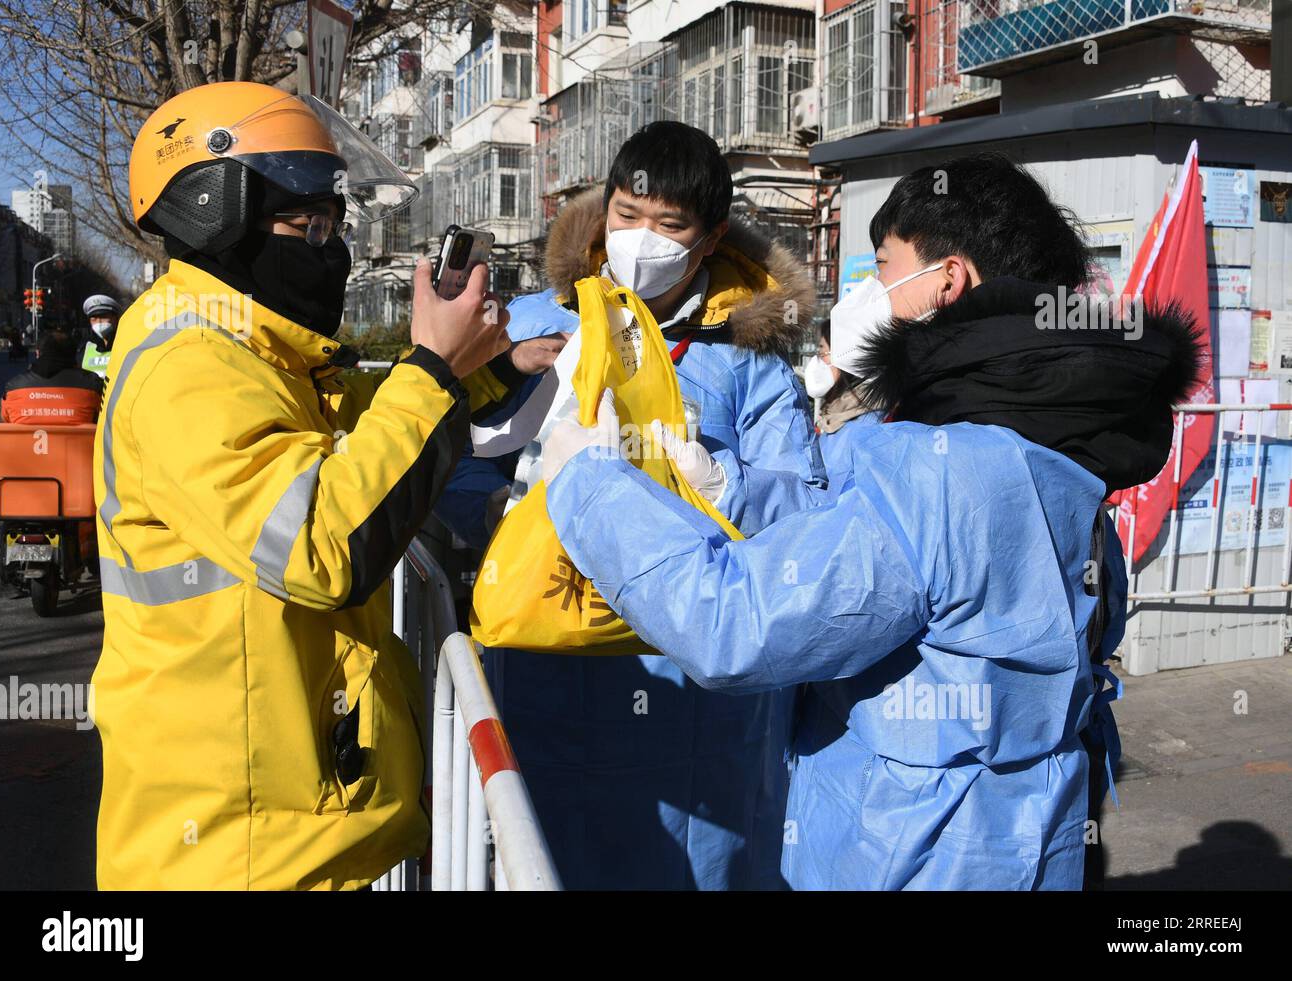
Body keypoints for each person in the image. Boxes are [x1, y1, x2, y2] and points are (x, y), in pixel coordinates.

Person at [540, 152, 1203, 889]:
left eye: (884, 266)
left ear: (947, 280)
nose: (869, 290)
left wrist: (587, 484)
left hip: (912, 848)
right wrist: (737, 490)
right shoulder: (1045, 438)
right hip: (1022, 835)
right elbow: (890, 549)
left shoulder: (944, 466)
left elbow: (735, 623)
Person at [90, 81, 531, 890]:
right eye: (308, 226)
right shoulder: (191, 368)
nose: (331, 250)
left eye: (334, 226)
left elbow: (357, 430)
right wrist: (433, 370)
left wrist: (486, 373)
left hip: (281, 835)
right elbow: (322, 545)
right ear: (213, 213)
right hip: (234, 856)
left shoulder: (255, 356)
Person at [449, 120, 826, 890]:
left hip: (695, 709)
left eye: (670, 225)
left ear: (712, 237)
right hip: (545, 673)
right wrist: (494, 516)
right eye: (627, 213)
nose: (642, 237)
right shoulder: (532, 329)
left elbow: (806, 512)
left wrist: (729, 486)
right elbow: (453, 458)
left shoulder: (750, 361)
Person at [801, 323, 881, 487]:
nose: (817, 362)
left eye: (823, 352)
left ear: (846, 357)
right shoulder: (837, 416)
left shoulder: (865, 424)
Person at [1, 329, 103, 425]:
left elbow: (6, 418)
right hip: (79, 444)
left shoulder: (13, 388)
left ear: (38, 353)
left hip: (26, 444)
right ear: (73, 355)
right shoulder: (92, 386)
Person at [79, 294, 121, 383]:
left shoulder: (125, 345)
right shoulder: (83, 347)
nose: (99, 322)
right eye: (94, 319)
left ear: (115, 318)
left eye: (104, 317)